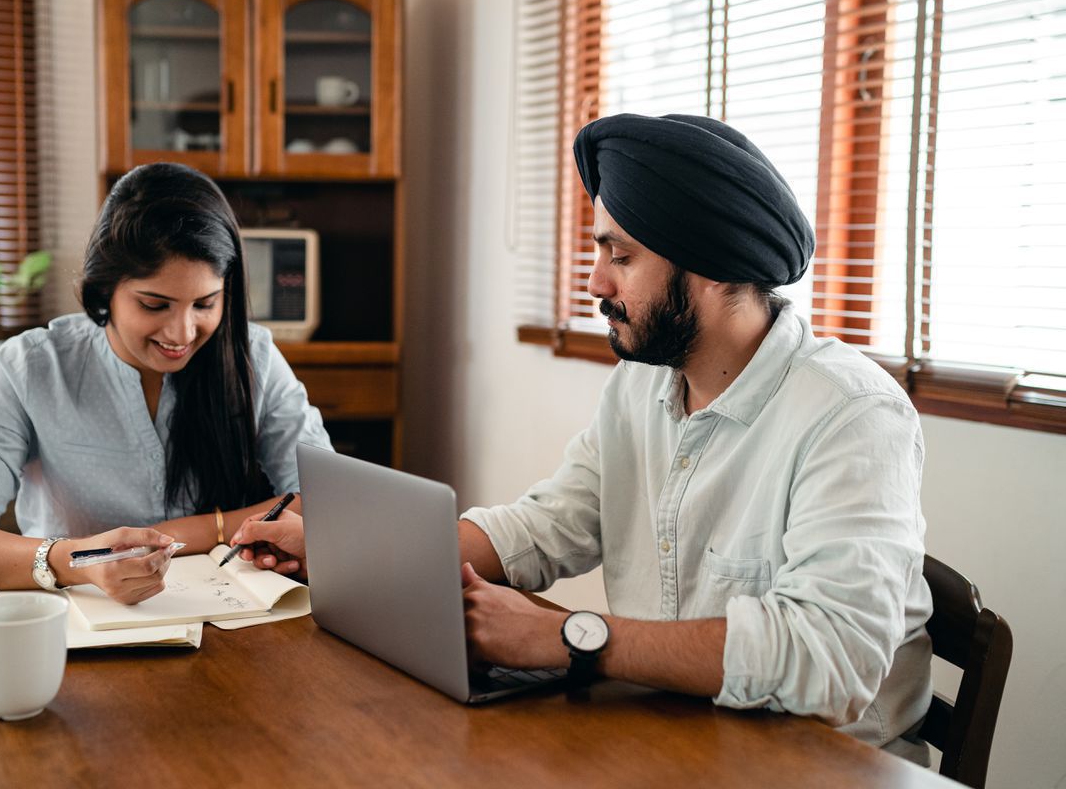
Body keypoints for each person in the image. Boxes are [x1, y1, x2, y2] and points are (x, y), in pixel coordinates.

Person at [231, 114, 933, 761]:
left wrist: (564, 636)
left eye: (621, 258)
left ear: (715, 271)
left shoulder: (852, 415)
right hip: (674, 737)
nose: (596, 280)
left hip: (813, 765)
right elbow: (550, 524)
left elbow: (832, 656)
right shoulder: (643, 384)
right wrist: (349, 549)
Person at [0, 162, 332, 604]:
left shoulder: (252, 354)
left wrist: (183, 532)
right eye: (154, 304)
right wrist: (77, 561)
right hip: (79, 630)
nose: (183, 333)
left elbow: (329, 501)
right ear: (105, 290)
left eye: (205, 303)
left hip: (235, 625)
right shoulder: (31, 366)